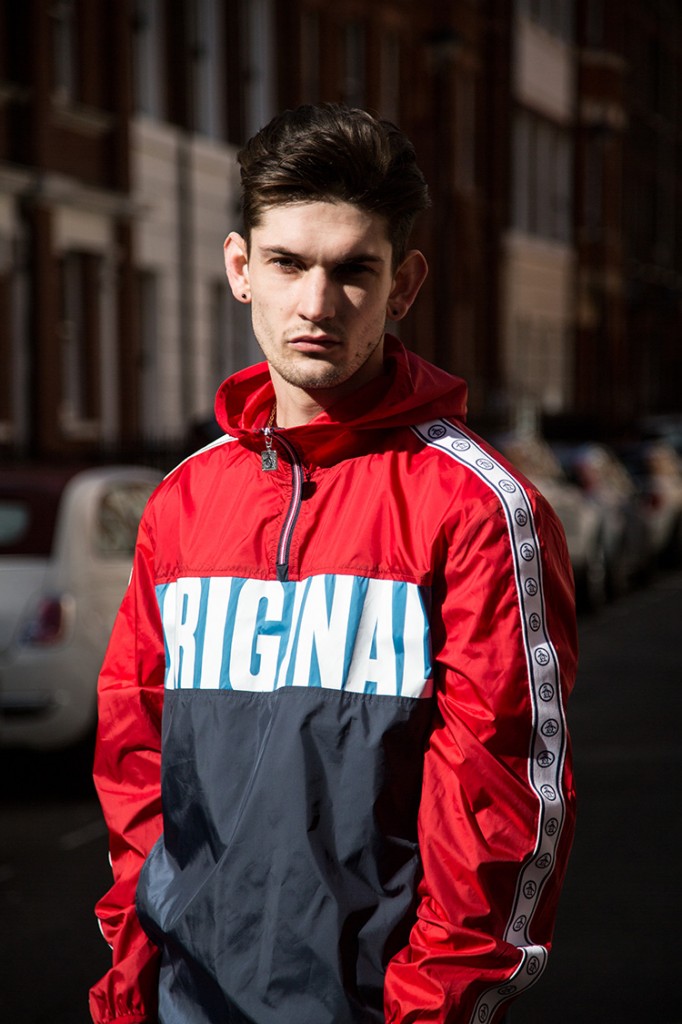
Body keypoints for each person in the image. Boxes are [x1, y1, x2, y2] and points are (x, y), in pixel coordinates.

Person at [90, 103, 577, 1024]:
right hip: (184, 1003)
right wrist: (131, 984)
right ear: (241, 269)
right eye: (287, 264)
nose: (316, 305)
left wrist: (429, 1013)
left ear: (404, 285)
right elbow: (135, 762)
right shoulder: (184, 502)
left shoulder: (476, 508)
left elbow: (504, 803)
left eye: (353, 270)